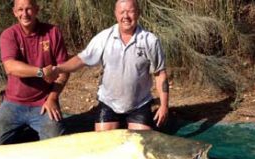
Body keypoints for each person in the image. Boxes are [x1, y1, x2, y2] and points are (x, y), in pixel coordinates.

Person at [50, 0, 169, 131]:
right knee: (103, 143)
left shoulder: (150, 41)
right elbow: (81, 59)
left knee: (140, 144)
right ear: (116, 14)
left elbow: (160, 74)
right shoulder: (104, 38)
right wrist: (58, 69)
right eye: (122, 12)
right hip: (109, 103)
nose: (126, 16)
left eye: (130, 11)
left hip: (139, 104)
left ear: (138, 13)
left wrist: (164, 105)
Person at [0, 0, 69, 145]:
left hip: (43, 103)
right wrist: (41, 72)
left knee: (56, 143)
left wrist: (53, 98)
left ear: (37, 10)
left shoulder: (53, 32)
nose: (24, 14)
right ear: (14, 12)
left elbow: (64, 69)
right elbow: (10, 67)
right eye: (20, 10)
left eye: (29, 9)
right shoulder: (8, 35)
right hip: (13, 103)